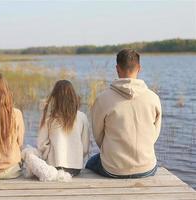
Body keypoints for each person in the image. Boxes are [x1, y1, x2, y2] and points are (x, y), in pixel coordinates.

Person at [86, 49, 162, 178]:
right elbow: (155, 134)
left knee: (90, 163)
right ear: (139, 68)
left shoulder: (103, 99)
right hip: (146, 168)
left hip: (113, 169)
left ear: (117, 68)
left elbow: (98, 135)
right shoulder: (153, 98)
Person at [37, 80, 90, 176]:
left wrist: (49, 155)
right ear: (73, 97)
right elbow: (85, 148)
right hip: (75, 169)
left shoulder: (49, 118)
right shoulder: (82, 117)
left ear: (54, 97)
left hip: (54, 167)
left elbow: (41, 145)